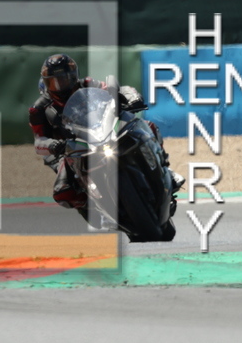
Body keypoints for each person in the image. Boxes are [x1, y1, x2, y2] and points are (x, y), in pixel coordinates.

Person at [28, 53, 185, 222]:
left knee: (148, 126)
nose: (60, 85)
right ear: (46, 83)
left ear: (74, 76)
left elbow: (115, 89)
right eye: (54, 82)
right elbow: (39, 140)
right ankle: (90, 207)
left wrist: (131, 98)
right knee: (63, 191)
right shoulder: (39, 109)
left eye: (64, 79)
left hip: (100, 130)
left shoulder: (87, 84)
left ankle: (165, 167)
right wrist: (53, 145)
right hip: (70, 148)